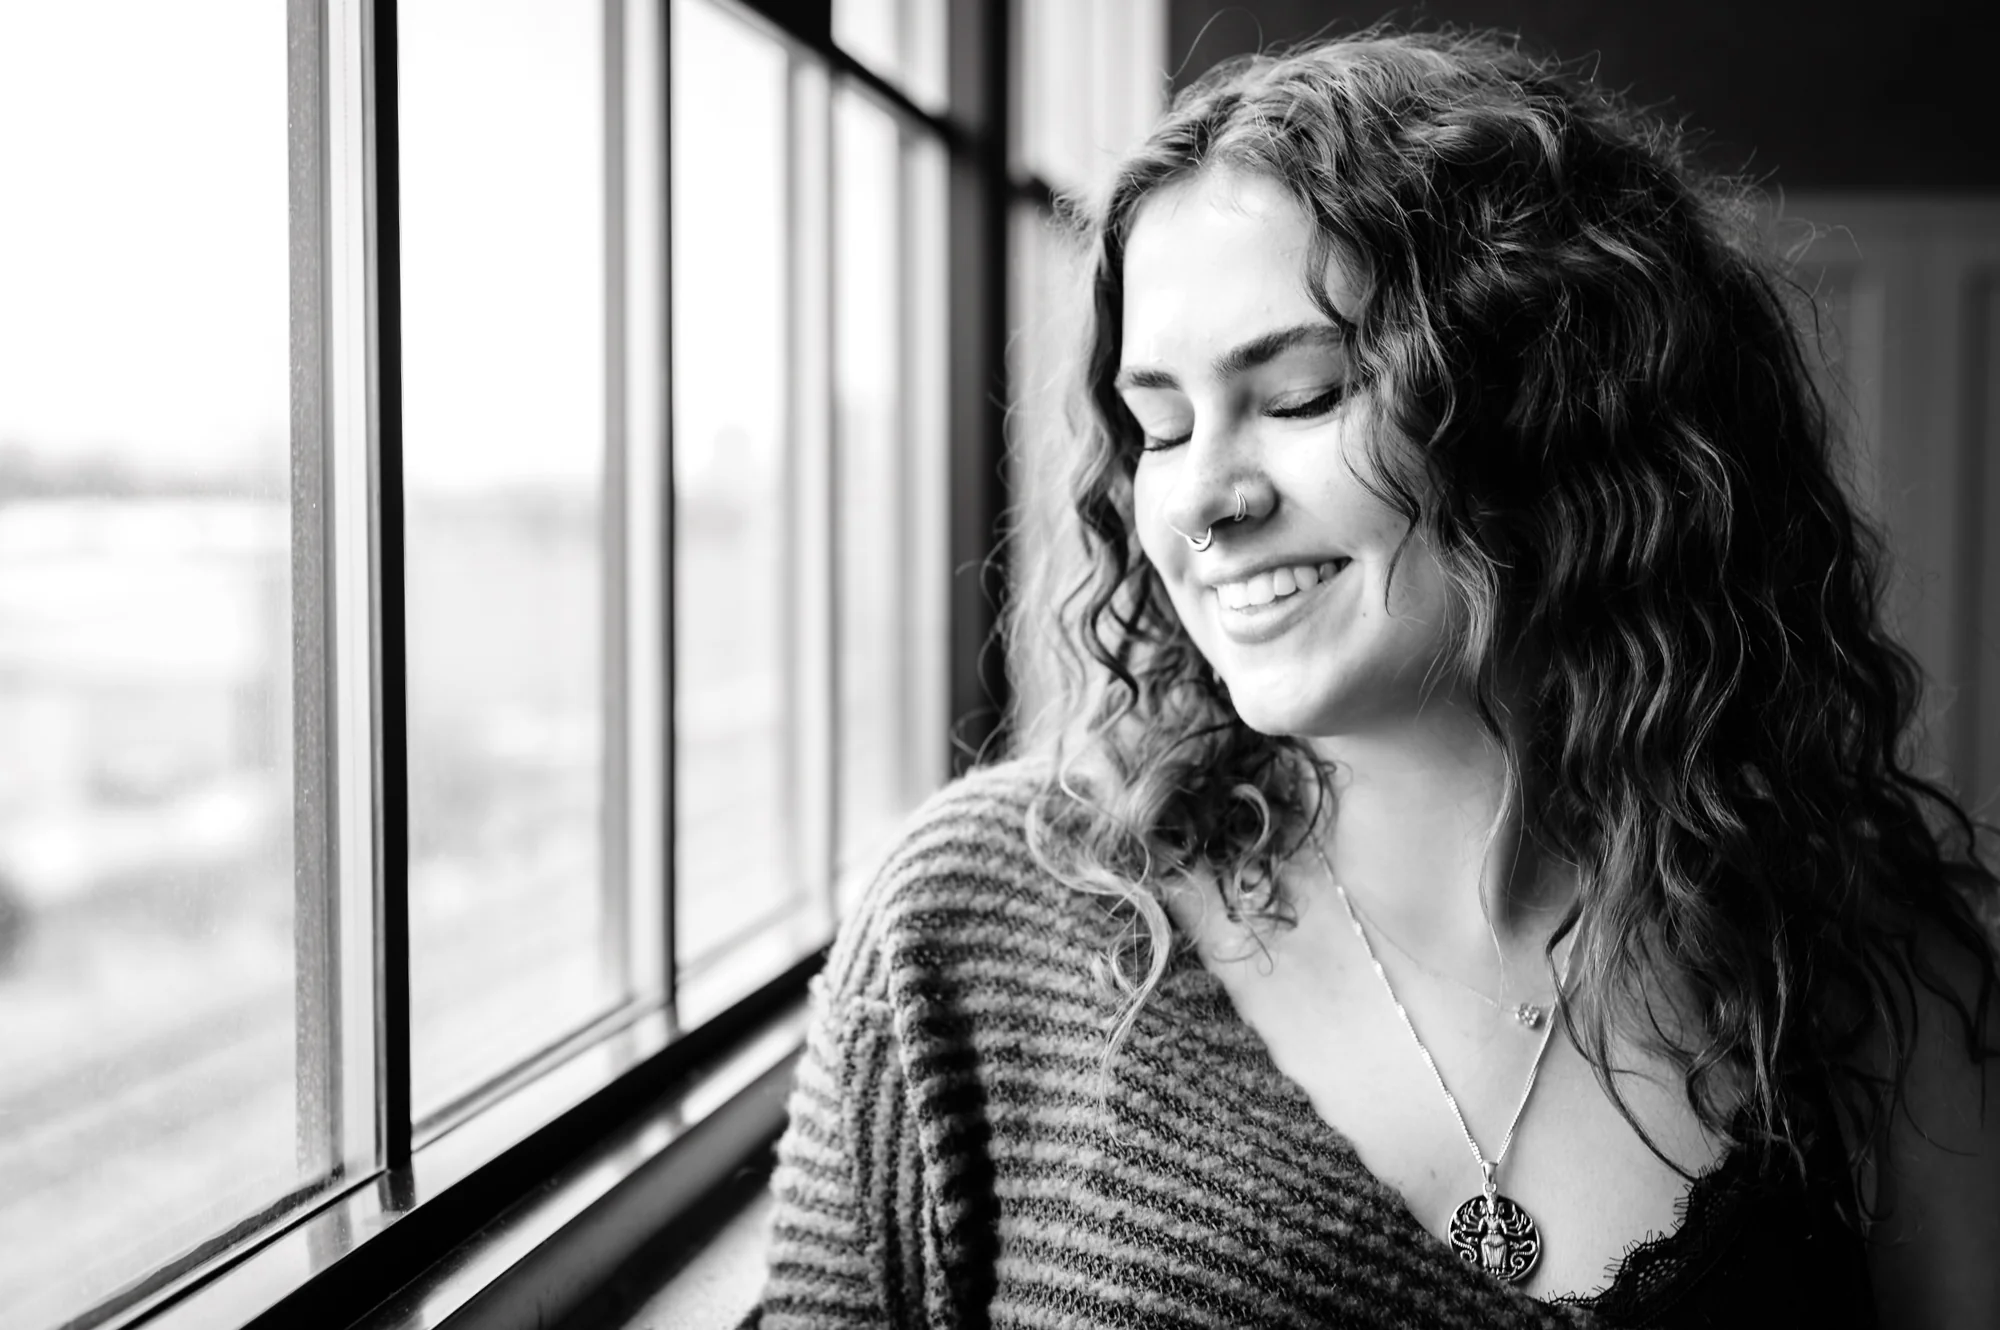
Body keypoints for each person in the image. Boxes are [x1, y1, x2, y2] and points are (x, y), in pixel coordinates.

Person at [745, 27, 2000, 1329]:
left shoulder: (1866, 972)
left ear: (1555, 403)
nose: (1203, 503)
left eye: (1300, 395)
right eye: (1159, 426)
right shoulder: (978, 924)